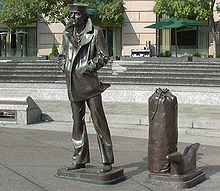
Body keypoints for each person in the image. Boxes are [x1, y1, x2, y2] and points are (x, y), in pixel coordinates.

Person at [58, 2, 114, 173]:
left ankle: (107, 160)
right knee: (77, 123)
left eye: (75, 14)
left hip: (90, 85)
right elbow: (62, 54)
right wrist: (63, 65)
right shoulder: (67, 34)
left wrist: (88, 67)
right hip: (73, 83)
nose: (72, 17)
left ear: (84, 15)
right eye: (71, 14)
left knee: (99, 121)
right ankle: (79, 159)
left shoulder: (95, 32)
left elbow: (104, 56)